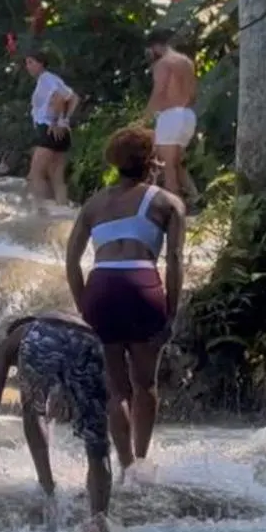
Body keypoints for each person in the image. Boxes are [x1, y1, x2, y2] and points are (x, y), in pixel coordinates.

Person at [63, 127, 186, 483]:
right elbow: (175, 259)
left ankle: (125, 464)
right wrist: (171, 310)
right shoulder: (167, 203)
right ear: (151, 161)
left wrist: (84, 304)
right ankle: (142, 465)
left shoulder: (93, 205)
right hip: (141, 283)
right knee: (145, 385)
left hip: (101, 287)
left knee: (117, 389)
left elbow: (71, 262)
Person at [0, 312, 117, 532]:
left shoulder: (17, 336)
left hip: (42, 341)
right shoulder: (63, 319)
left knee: (32, 411)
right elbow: (65, 355)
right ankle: (99, 519)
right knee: (96, 438)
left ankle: (48, 487)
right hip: (91, 342)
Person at [141, 29, 199, 201]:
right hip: (188, 115)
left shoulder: (163, 64)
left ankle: (173, 207)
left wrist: (144, 118)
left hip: (171, 115)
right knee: (176, 162)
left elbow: (159, 92)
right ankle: (195, 197)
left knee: (167, 165)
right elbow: (194, 93)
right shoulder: (186, 62)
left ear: (155, 48)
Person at [24, 51, 79, 206]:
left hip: (48, 129)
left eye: (31, 62)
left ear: (41, 63)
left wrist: (56, 121)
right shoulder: (53, 79)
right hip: (60, 131)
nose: (28, 67)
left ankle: (42, 210)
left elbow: (60, 98)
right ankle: (62, 209)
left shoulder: (46, 79)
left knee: (35, 174)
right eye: (27, 63)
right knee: (57, 177)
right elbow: (74, 98)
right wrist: (65, 120)